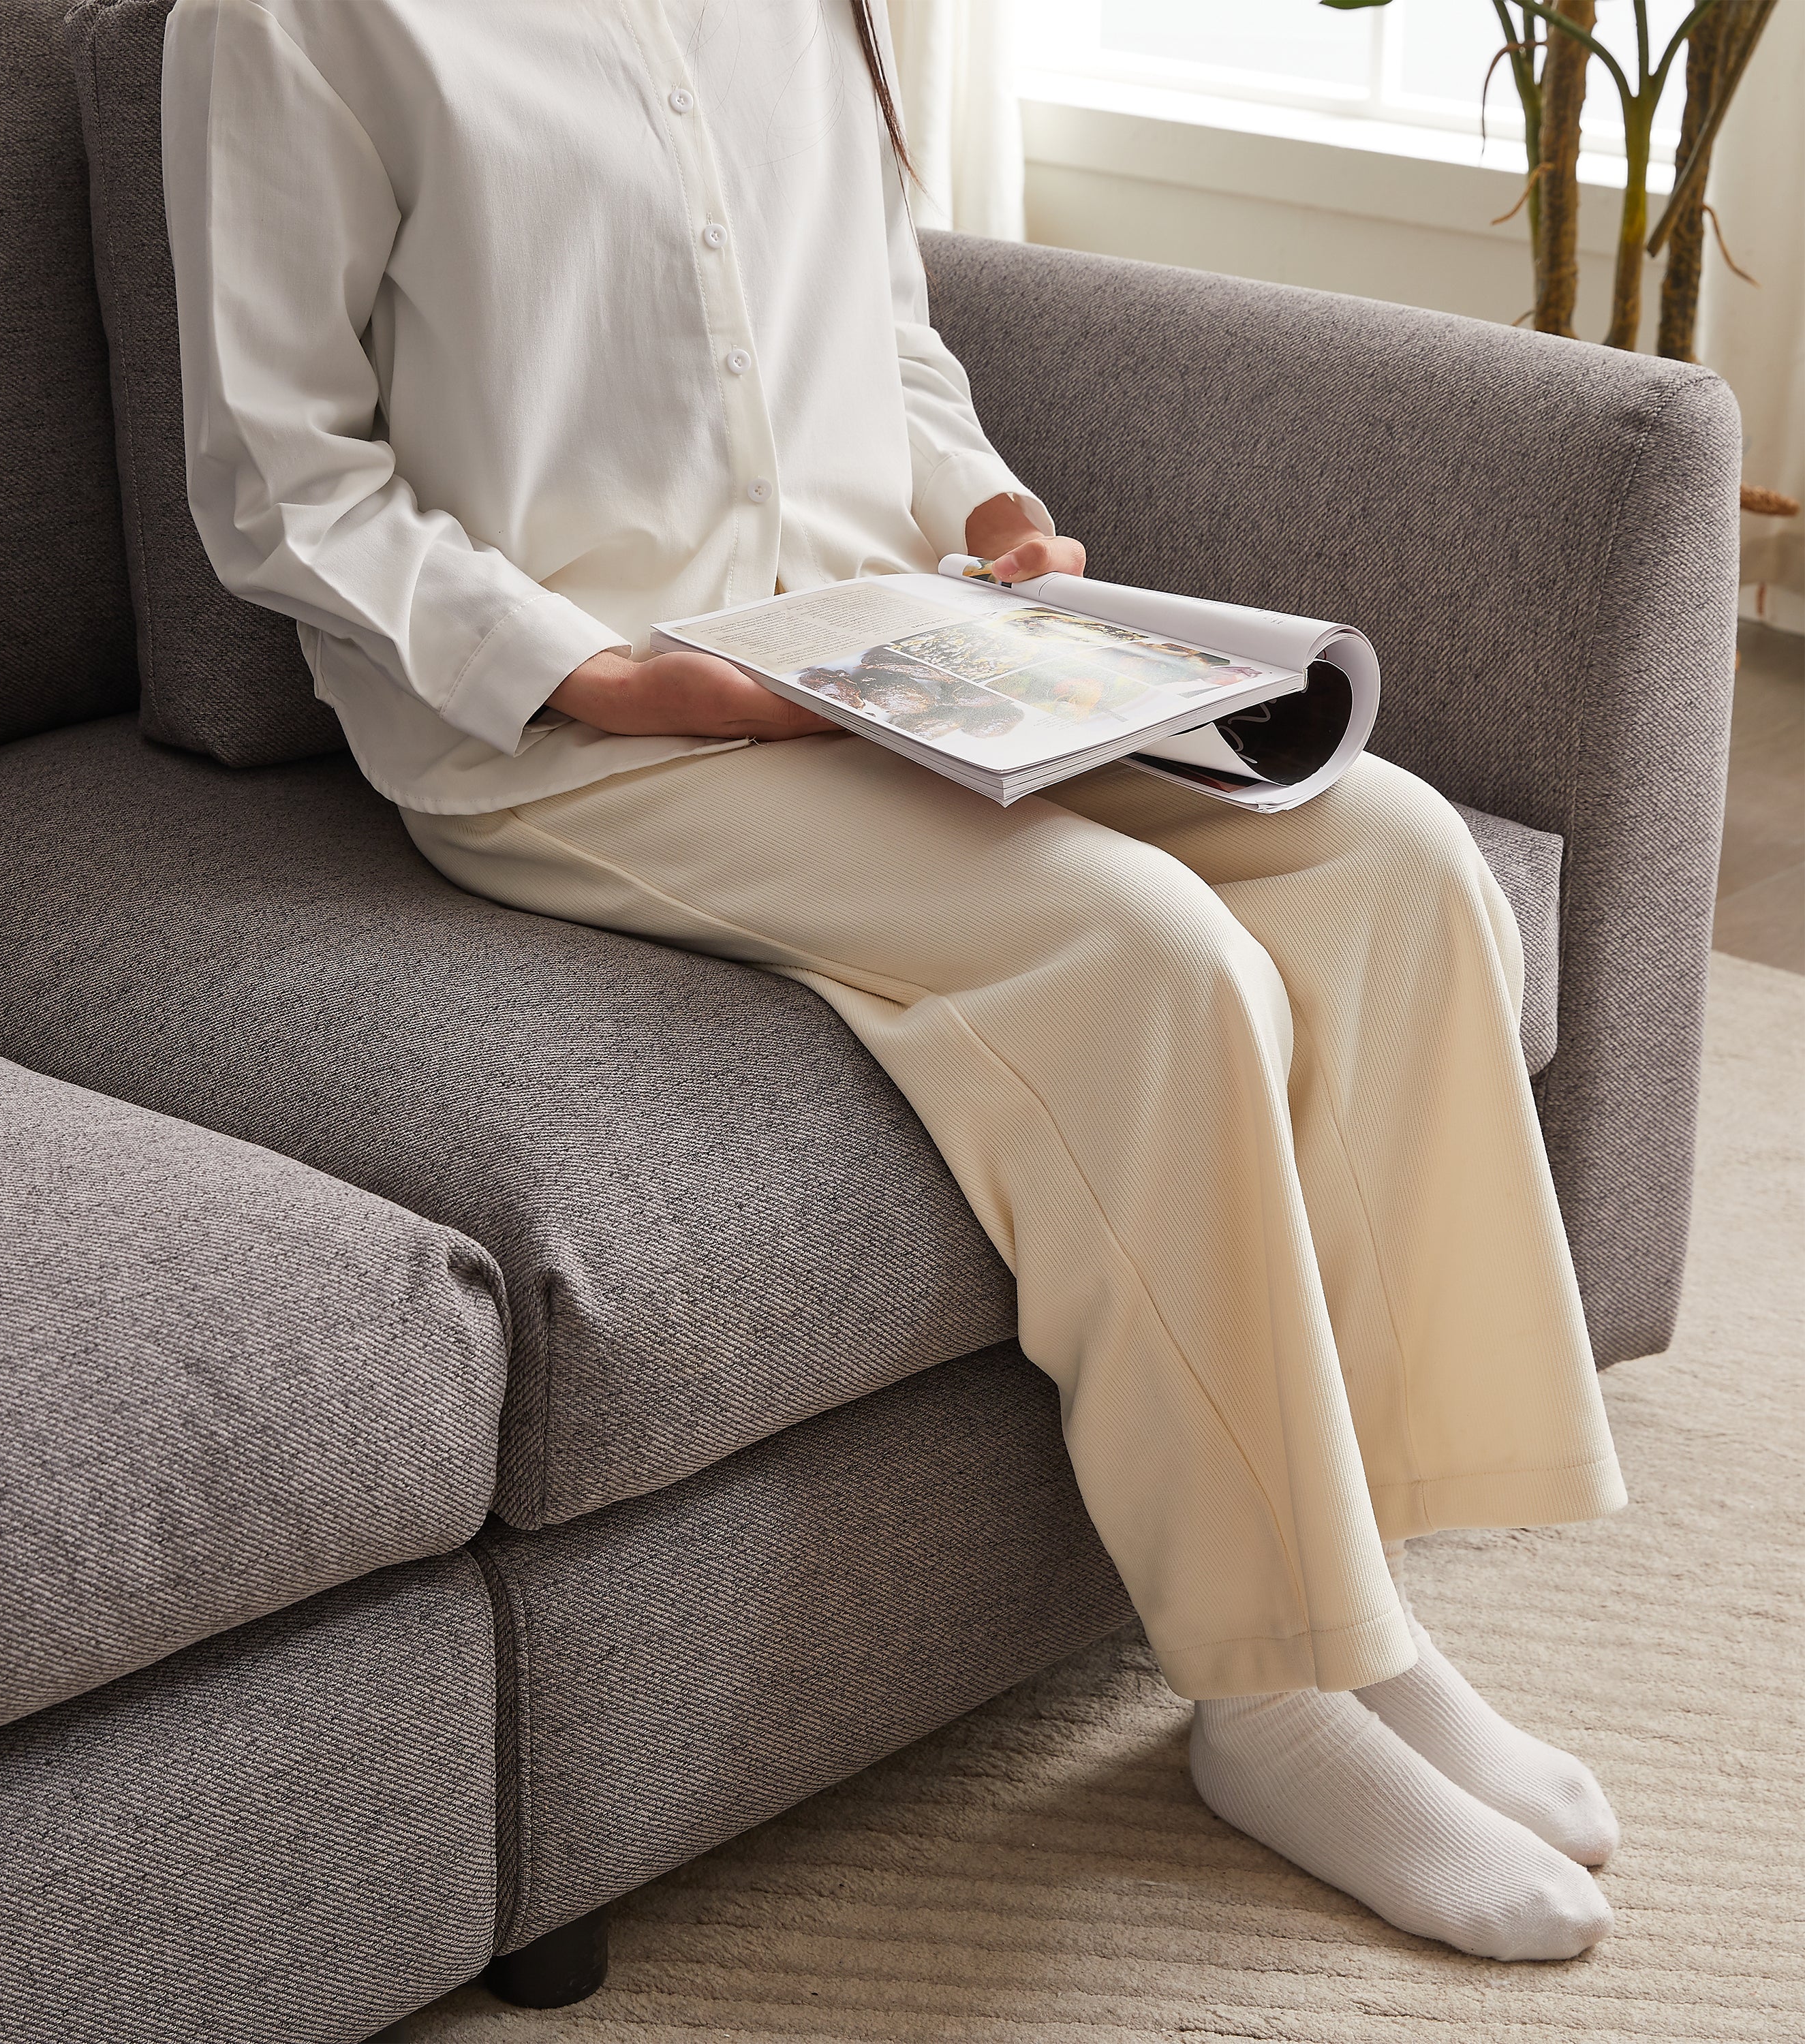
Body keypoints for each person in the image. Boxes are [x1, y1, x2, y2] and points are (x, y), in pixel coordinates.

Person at [163, 0, 1626, 1963]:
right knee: (1149, 956)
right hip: (577, 731)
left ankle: (1375, 1613)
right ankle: (1273, 1699)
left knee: (1395, 862)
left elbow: (883, 338)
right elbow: (279, 478)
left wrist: (986, 514)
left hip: (888, 648)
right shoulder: (288, 19)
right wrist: (602, 673)